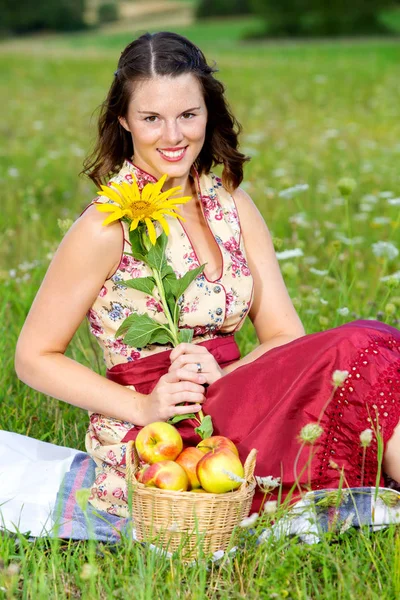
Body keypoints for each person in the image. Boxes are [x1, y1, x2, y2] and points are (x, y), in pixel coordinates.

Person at [14, 31, 400, 519]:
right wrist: (143, 408)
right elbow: (33, 357)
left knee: (374, 346)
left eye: (188, 115)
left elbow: (284, 335)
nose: (173, 136)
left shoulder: (232, 204)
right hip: (161, 436)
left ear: (207, 113)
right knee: (361, 344)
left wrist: (226, 375)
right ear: (124, 121)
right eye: (152, 118)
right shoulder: (105, 226)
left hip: (235, 398)